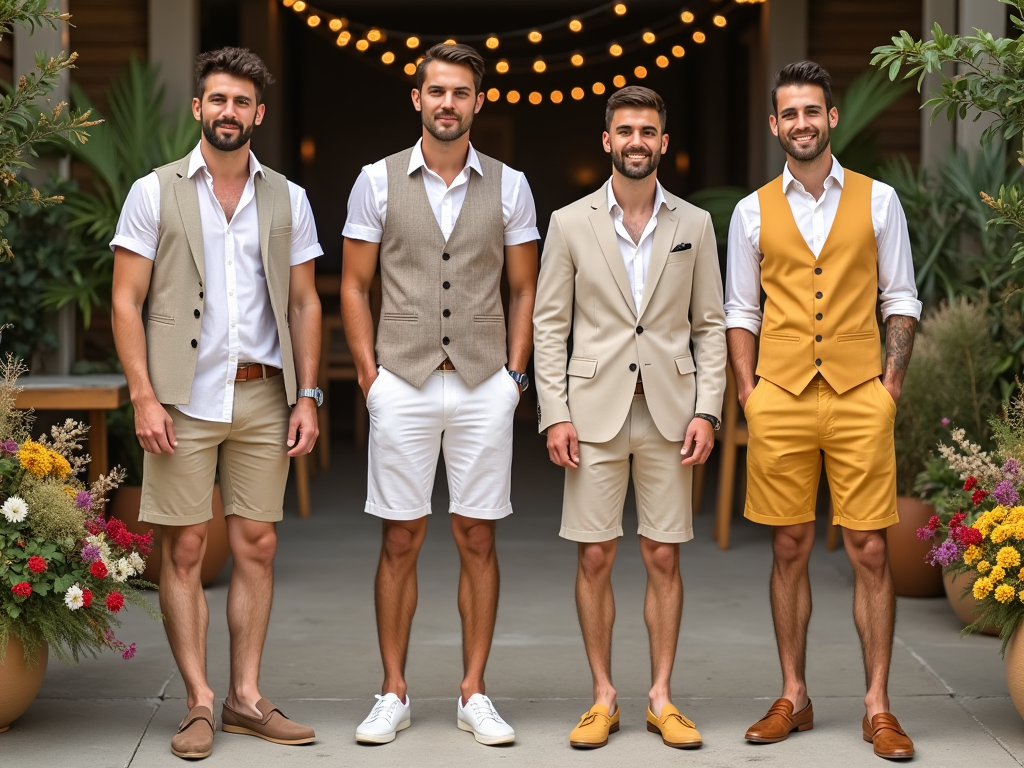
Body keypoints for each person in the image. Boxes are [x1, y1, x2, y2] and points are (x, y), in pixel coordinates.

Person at [110, 47, 322, 760]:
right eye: (217, 101)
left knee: (257, 543)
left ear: (258, 114)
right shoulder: (154, 191)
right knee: (188, 547)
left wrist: (309, 396)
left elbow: (303, 302)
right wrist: (143, 396)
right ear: (199, 109)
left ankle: (246, 697)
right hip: (181, 399)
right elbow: (126, 300)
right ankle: (199, 701)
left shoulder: (287, 196)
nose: (229, 112)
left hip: (265, 394)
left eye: (242, 103)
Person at [340, 42, 539, 747]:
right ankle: (392, 690)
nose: (448, 103)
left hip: (486, 383)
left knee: (477, 537)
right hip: (404, 380)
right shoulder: (376, 180)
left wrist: (516, 377)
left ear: (478, 102)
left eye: (460, 93)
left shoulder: (510, 186)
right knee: (400, 537)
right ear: (416, 99)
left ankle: (472, 692)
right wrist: (370, 380)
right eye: (437, 92)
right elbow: (353, 286)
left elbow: (523, 288)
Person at [725, 61, 921, 760]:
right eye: (789, 114)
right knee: (788, 547)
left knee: (870, 549)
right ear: (775, 125)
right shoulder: (751, 211)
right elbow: (741, 310)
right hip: (779, 397)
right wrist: (750, 392)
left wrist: (888, 387)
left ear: (830, 118)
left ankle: (878, 706)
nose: (802, 123)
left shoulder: (879, 201)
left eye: (813, 111)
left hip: (859, 395)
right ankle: (794, 695)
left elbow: (900, 297)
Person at [533, 85, 727, 751]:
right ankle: (602, 697)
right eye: (625, 131)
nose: (636, 141)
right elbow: (549, 325)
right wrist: (553, 413)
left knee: (663, 555)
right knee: (594, 555)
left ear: (663, 142)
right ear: (607, 140)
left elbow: (711, 326)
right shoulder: (569, 223)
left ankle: (662, 698)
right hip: (592, 413)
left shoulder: (695, 225)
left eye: (648, 130)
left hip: (672, 415)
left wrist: (708, 409)